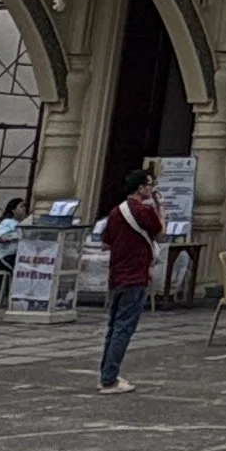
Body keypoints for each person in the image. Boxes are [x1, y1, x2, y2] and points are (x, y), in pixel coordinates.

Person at [98, 168, 163, 395]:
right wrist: (159, 207)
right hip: (136, 275)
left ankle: (107, 373)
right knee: (124, 328)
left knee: (114, 327)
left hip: (117, 275)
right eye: (149, 185)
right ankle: (109, 379)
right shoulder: (144, 211)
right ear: (141, 188)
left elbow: (106, 243)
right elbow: (161, 233)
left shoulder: (116, 212)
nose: (151, 189)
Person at [0, 197, 25, 281]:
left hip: (17, 256)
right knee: (18, 270)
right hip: (5, 257)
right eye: (21, 206)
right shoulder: (7, 222)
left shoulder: (21, 224)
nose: (24, 209)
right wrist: (14, 237)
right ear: (13, 210)